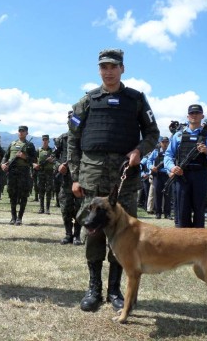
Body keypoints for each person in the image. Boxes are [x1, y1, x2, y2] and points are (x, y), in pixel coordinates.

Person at [67, 48, 159, 312]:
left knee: (124, 235)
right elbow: (73, 140)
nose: (108, 71)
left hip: (124, 178)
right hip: (92, 177)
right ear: (99, 70)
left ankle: (115, 290)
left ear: (122, 69)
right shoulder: (86, 102)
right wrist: (75, 176)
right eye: (104, 67)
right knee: (93, 232)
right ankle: (94, 288)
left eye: (113, 67)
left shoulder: (137, 100)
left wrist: (139, 150)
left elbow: (153, 133)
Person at [164, 104, 207, 228]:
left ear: (202, 116)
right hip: (182, 175)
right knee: (182, 209)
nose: (194, 115)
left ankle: (198, 242)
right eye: (191, 113)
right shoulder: (177, 136)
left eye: (197, 113)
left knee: (199, 210)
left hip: (200, 176)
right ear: (187, 116)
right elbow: (168, 155)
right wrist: (172, 167)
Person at [55, 112, 83, 245]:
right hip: (66, 180)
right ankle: (68, 234)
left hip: (81, 178)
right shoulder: (62, 138)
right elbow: (53, 156)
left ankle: (77, 235)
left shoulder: (85, 137)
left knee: (79, 207)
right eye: (70, 119)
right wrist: (58, 165)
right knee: (66, 207)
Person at [1, 125, 36, 225]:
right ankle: (13, 217)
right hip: (12, 172)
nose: (21, 132)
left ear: (26, 133)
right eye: (20, 131)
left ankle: (19, 218)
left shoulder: (30, 145)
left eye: (23, 131)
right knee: (12, 194)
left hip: (24, 172)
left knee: (23, 195)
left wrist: (25, 157)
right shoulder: (12, 144)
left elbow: (34, 160)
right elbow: (5, 156)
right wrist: (3, 164)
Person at [148, 137, 171, 219]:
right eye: (163, 142)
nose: (165, 143)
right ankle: (158, 213)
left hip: (168, 175)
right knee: (157, 194)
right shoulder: (156, 151)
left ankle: (167, 213)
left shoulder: (171, 151)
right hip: (158, 175)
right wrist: (151, 167)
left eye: (166, 142)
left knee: (167, 195)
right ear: (160, 143)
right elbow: (149, 161)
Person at [34, 134, 56, 214]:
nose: (45, 141)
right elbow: (33, 159)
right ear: (42, 140)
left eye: (46, 139)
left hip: (49, 172)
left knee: (49, 190)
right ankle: (41, 208)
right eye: (43, 139)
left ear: (48, 141)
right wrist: (35, 165)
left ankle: (47, 209)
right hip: (41, 172)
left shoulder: (52, 150)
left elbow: (56, 160)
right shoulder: (39, 150)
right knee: (41, 190)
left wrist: (52, 161)